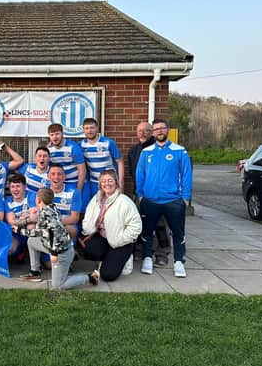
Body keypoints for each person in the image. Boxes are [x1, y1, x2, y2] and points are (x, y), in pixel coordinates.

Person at [136, 118, 192, 278]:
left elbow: (187, 175)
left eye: (162, 128)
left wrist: (185, 198)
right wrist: (140, 195)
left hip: (173, 201)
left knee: (177, 233)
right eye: (156, 129)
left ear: (167, 130)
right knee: (147, 232)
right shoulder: (146, 152)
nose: (159, 131)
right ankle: (147, 258)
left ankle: (179, 261)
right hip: (150, 200)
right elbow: (140, 174)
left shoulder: (179, 151)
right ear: (153, 133)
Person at [18, 188, 92, 290]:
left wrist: (53, 254)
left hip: (60, 252)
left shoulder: (46, 215)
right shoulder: (50, 208)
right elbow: (40, 232)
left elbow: (54, 235)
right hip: (57, 246)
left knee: (58, 286)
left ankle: (89, 277)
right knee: (31, 241)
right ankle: (35, 272)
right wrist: (20, 227)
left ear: (38, 200)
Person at [80, 169, 141, 282]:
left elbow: (136, 227)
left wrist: (120, 239)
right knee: (89, 251)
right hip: (103, 237)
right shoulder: (96, 199)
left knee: (108, 275)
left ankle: (126, 259)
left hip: (120, 242)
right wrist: (88, 228)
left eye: (110, 180)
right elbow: (88, 217)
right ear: (100, 184)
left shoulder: (124, 202)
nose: (107, 184)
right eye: (103, 181)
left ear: (116, 183)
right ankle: (110, 258)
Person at [128, 121, 171, 266]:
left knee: (160, 225)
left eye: (146, 130)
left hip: (158, 195)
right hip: (139, 194)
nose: (142, 133)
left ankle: (162, 253)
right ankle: (141, 251)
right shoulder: (133, 150)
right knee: (139, 223)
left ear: (151, 132)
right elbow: (132, 172)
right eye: (139, 130)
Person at [80, 117, 124, 209]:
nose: (89, 131)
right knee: (96, 208)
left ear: (97, 128)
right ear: (83, 130)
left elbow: (119, 162)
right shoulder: (81, 145)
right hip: (94, 182)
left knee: (112, 209)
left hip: (110, 183)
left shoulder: (108, 142)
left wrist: (120, 183)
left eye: (92, 128)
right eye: (87, 128)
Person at [4, 173, 37, 261]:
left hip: (31, 232)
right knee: (10, 250)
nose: (15, 189)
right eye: (12, 187)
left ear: (24, 187)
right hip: (16, 233)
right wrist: (27, 219)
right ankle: (21, 250)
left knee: (32, 226)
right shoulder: (8, 201)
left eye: (18, 186)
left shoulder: (31, 196)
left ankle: (34, 256)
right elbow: (11, 221)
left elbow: (35, 217)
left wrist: (19, 220)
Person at [46, 123, 85, 193]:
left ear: (62, 134)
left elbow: (82, 170)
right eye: (52, 135)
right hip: (58, 184)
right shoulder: (48, 149)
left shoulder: (73, 147)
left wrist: (78, 190)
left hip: (74, 182)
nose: (55, 137)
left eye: (57, 134)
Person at [47, 163, 82, 239]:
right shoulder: (44, 191)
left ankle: (69, 248)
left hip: (66, 224)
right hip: (48, 225)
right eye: (53, 174)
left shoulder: (74, 192)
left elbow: (74, 218)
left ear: (64, 177)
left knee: (70, 229)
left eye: (59, 174)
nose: (56, 177)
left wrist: (56, 223)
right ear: (48, 177)